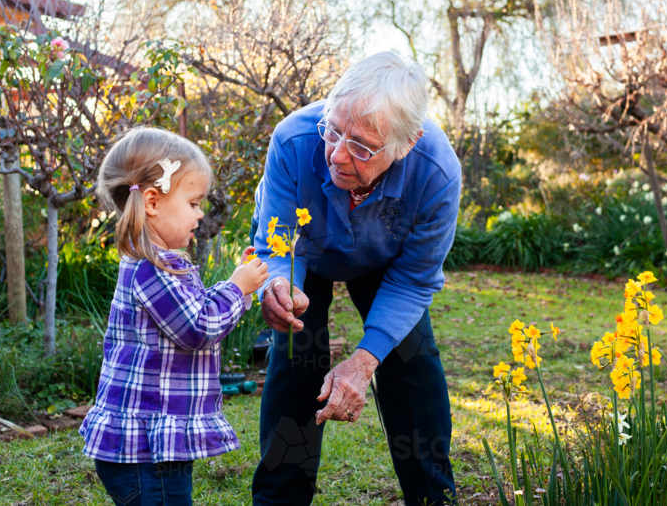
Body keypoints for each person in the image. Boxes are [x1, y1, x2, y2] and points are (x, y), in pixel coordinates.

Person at [250, 52, 461, 505]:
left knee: (411, 360)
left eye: (362, 147)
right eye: (334, 131)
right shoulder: (293, 140)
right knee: (296, 360)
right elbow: (280, 240)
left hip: (385, 259)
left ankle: (432, 499)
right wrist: (278, 285)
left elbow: (414, 278)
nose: (338, 154)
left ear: (407, 144)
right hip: (303, 252)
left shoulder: (436, 172)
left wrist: (364, 361)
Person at [80, 127, 269, 506]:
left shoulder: (157, 263)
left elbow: (193, 313)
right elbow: (200, 328)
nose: (200, 214)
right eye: (194, 202)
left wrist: (235, 284)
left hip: (153, 445)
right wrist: (239, 288)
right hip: (146, 451)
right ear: (152, 201)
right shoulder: (152, 268)